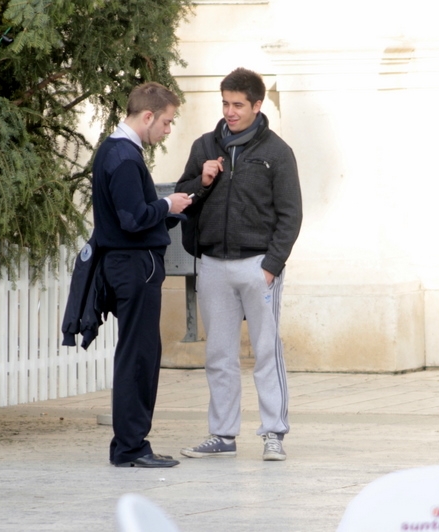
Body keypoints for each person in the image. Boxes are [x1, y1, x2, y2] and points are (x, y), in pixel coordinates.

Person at [175, 68, 303, 461]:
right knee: (219, 355)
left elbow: (291, 214)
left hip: (258, 266)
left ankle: (273, 433)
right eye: (225, 103)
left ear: (257, 106)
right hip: (213, 263)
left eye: (238, 105)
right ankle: (223, 435)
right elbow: (182, 198)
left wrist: (271, 265)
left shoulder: (277, 153)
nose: (230, 112)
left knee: (266, 352)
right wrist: (202, 181)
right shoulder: (204, 145)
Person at [92, 82, 192, 468]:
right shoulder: (123, 156)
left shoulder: (118, 151)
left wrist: (169, 208)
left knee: (140, 352)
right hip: (134, 266)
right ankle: (131, 447)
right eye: (166, 122)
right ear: (147, 116)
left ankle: (131, 444)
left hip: (131, 264)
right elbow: (132, 219)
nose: (167, 130)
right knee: (138, 355)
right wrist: (167, 204)